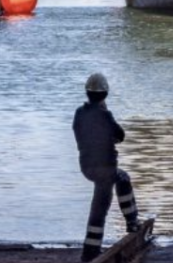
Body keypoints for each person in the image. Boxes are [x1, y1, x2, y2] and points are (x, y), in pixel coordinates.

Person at [73, 72, 140, 262]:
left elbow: (83, 135)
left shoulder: (79, 113)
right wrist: (105, 112)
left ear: (87, 92)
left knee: (122, 179)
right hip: (106, 169)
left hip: (87, 167)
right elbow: (120, 135)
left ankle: (131, 223)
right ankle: (91, 251)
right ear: (105, 94)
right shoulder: (105, 115)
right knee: (100, 208)